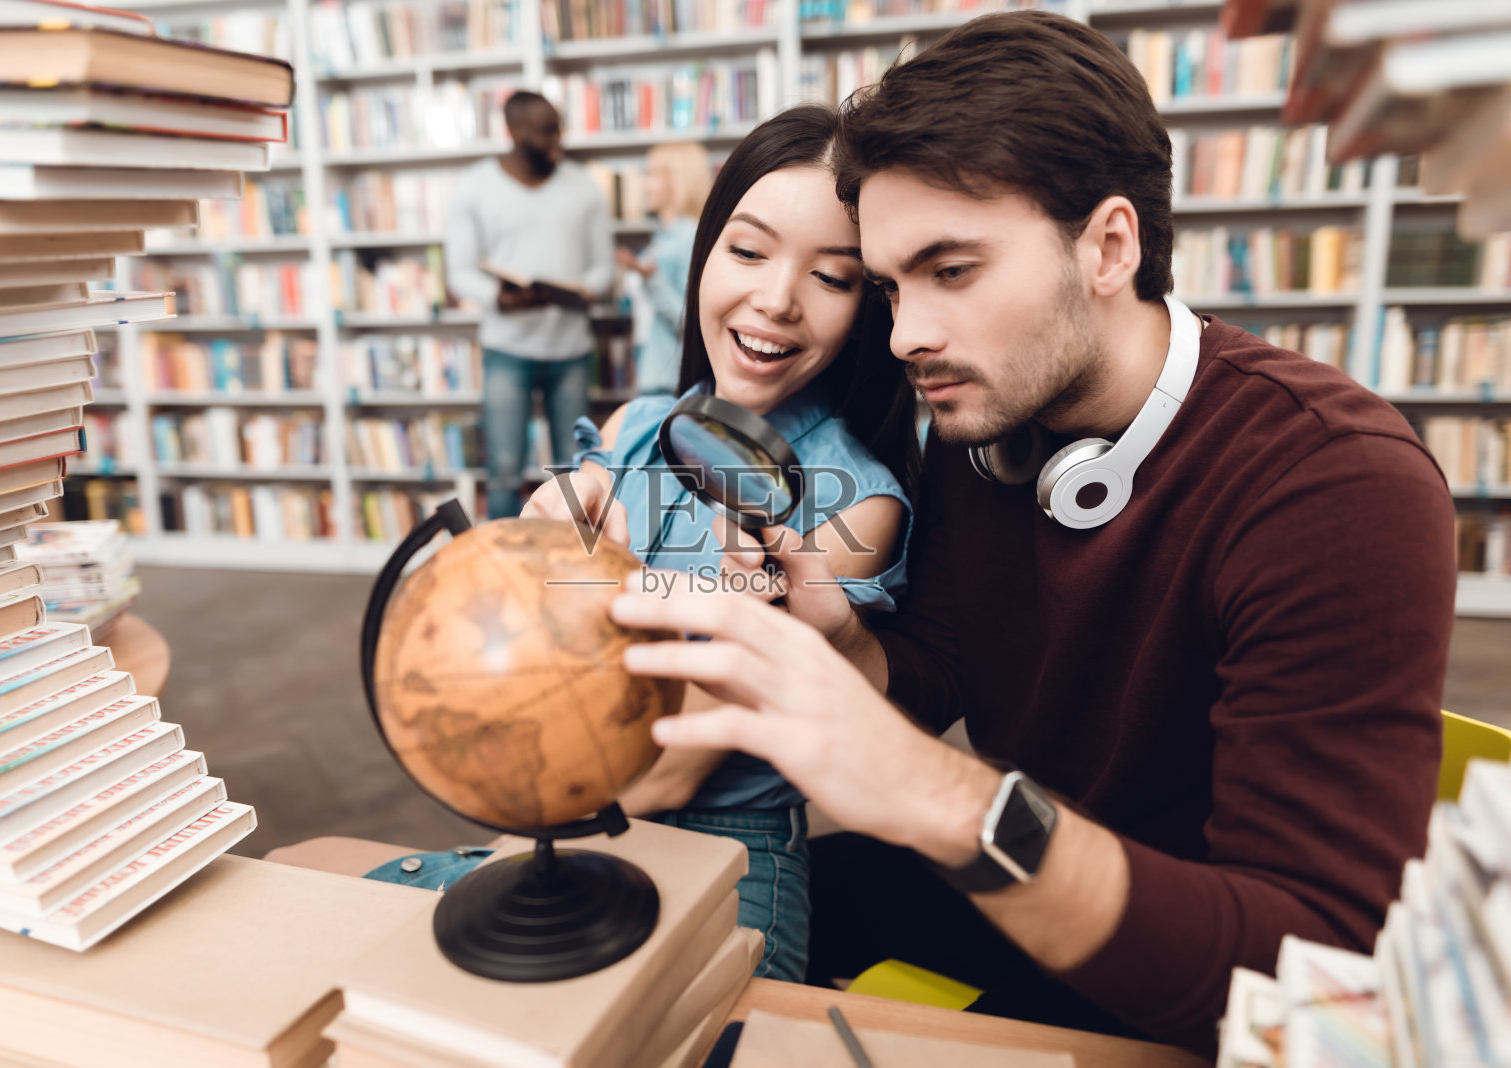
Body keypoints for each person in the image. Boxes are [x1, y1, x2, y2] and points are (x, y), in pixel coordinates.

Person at [600, 11, 1457, 1057]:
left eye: (950, 270)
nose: (906, 333)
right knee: (684, 936)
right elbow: (946, 665)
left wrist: (937, 795)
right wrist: (848, 647)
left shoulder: (1332, 484)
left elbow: (1310, 962)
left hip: (1189, 964)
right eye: (887, 287)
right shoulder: (988, 421)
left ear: (1108, 245)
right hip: (1018, 883)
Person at [520, 105, 919, 984]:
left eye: (833, 276)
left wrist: (515, 831)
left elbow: (673, 769)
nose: (776, 298)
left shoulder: (854, 504)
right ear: (702, 255)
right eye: (747, 251)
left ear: (869, 305)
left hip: (723, 847)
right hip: (571, 790)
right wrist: (548, 532)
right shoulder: (632, 427)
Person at [445, 90, 614, 519]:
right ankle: (503, 569)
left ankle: (572, 565)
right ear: (514, 132)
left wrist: (580, 290)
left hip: (571, 350)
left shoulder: (583, 188)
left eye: (558, 129)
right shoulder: (474, 188)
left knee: (575, 470)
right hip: (507, 349)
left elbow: (604, 270)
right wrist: (498, 297)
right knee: (503, 468)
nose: (557, 140)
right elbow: (459, 271)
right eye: (545, 133)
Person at [615, 142, 712, 396]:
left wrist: (652, 280)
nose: (644, 184)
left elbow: (692, 322)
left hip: (671, 381)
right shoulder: (662, 239)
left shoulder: (689, 238)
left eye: (652, 174)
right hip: (654, 371)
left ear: (678, 180)